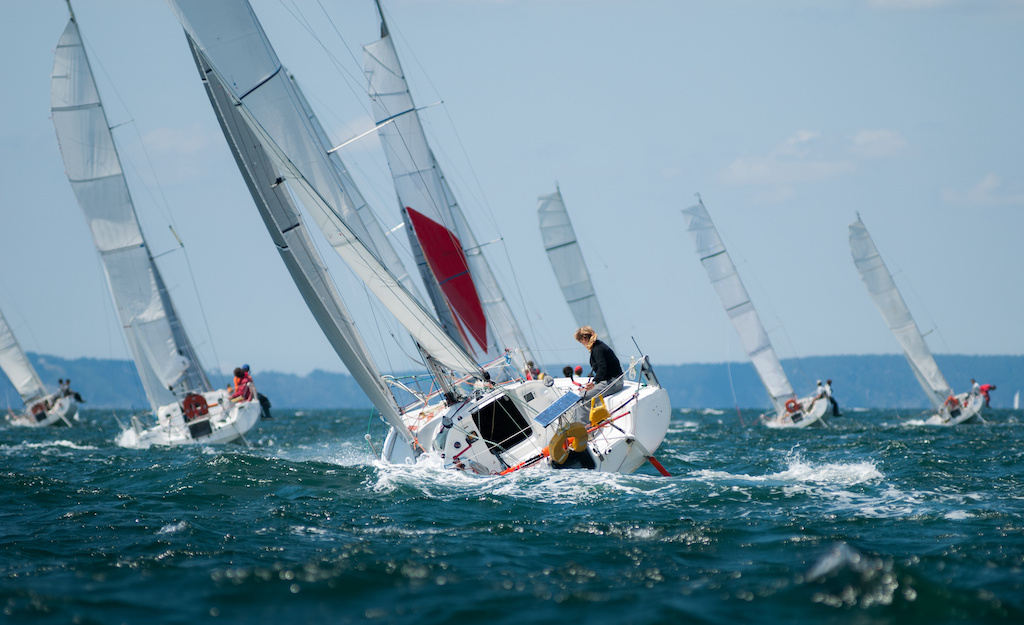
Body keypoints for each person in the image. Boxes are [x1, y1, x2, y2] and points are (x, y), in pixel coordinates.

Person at [573, 325, 623, 423]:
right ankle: (587, 423)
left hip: (613, 383)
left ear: (584, 339)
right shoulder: (598, 346)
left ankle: (584, 428)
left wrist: (594, 383)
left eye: (581, 342)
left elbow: (602, 368)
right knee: (581, 394)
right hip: (611, 380)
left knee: (582, 399)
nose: (582, 344)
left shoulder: (598, 349)